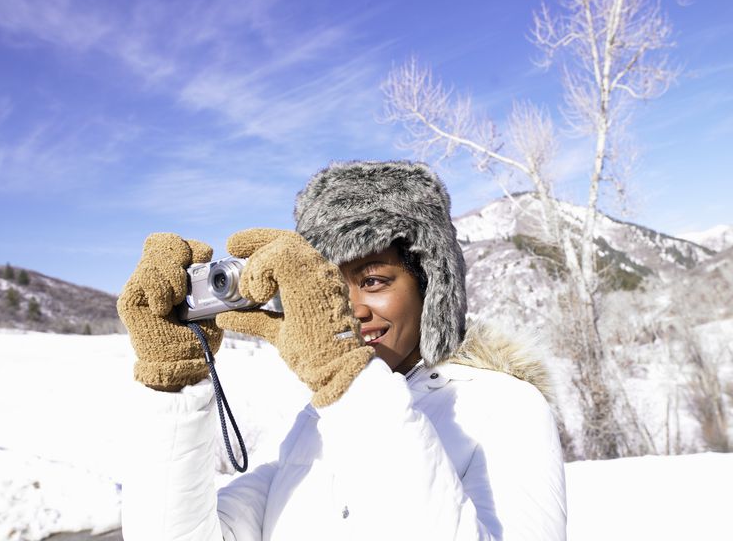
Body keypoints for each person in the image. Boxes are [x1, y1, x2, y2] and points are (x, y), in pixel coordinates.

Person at [117, 160, 567, 540]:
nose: (350, 311)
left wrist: (344, 375)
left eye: (372, 281)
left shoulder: (507, 408)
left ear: (431, 287)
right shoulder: (313, 427)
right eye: (332, 286)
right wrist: (174, 381)